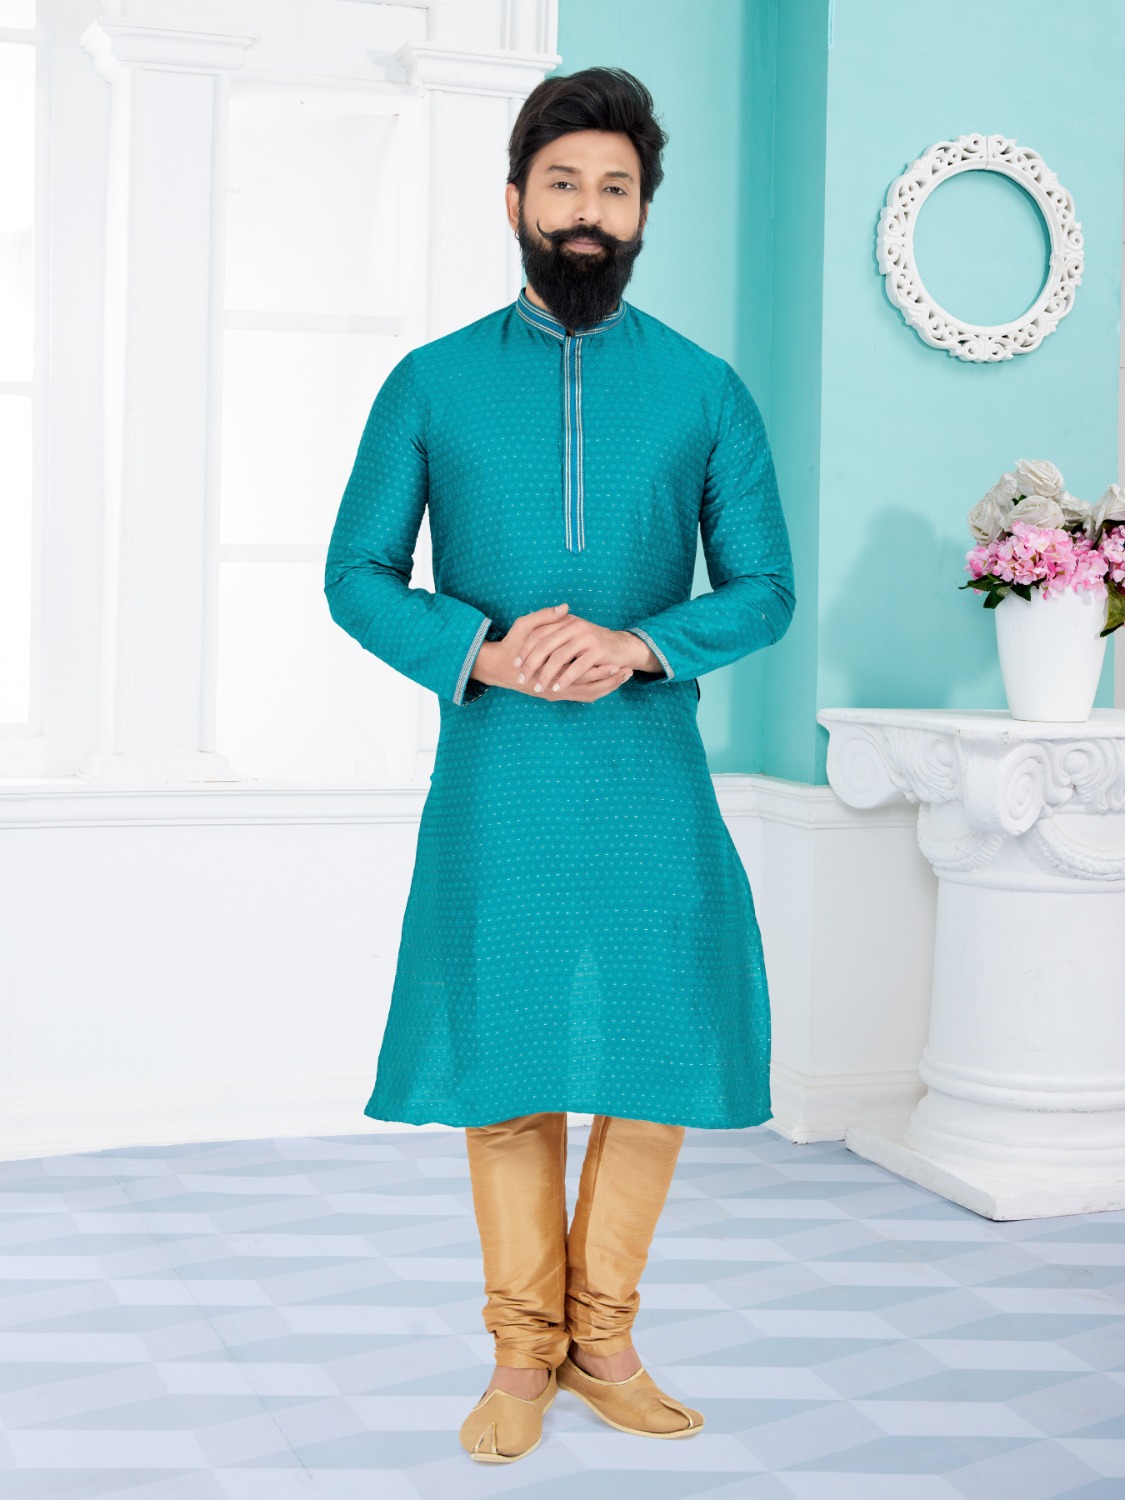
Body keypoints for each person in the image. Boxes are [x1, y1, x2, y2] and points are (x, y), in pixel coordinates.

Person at [323, 66, 795, 1464]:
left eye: (615, 188)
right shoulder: (430, 382)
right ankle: (522, 1354)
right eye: (564, 184)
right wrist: (479, 648)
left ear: (643, 212)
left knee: (654, 1059)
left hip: (649, 773)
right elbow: (355, 575)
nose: (588, 210)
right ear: (515, 201)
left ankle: (606, 1340)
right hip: (500, 775)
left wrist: (640, 644)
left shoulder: (703, 389)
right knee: (510, 1059)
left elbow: (764, 589)